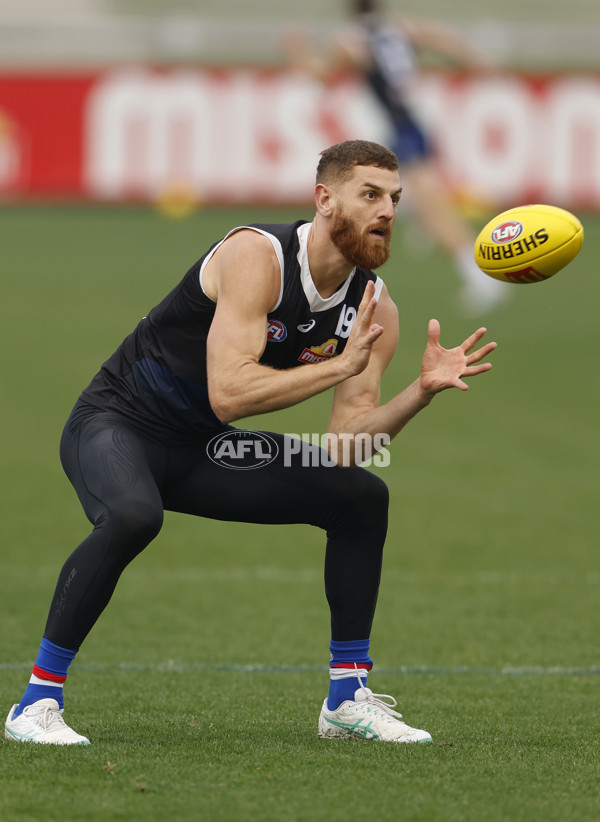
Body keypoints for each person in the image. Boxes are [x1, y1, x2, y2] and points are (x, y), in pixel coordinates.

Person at [4, 139, 496, 746]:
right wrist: (339, 366)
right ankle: (36, 702)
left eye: (395, 198)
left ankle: (347, 699)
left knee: (360, 496)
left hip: (200, 448)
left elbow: (346, 445)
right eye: (370, 195)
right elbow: (229, 394)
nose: (388, 211)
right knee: (133, 515)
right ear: (324, 199)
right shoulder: (255, 255)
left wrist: (418, 393)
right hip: (115, 424)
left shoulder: (373, 307)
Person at [284, 0, 510, 313]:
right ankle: (418, 216)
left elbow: (319, 74)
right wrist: (474, 57)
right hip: (411, 122)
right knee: (406, 195)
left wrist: (296, 49)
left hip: (397, 127)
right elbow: (442, 38)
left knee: (431, 206)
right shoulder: (397, 28)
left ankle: (479, 271)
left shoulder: (352, 40)